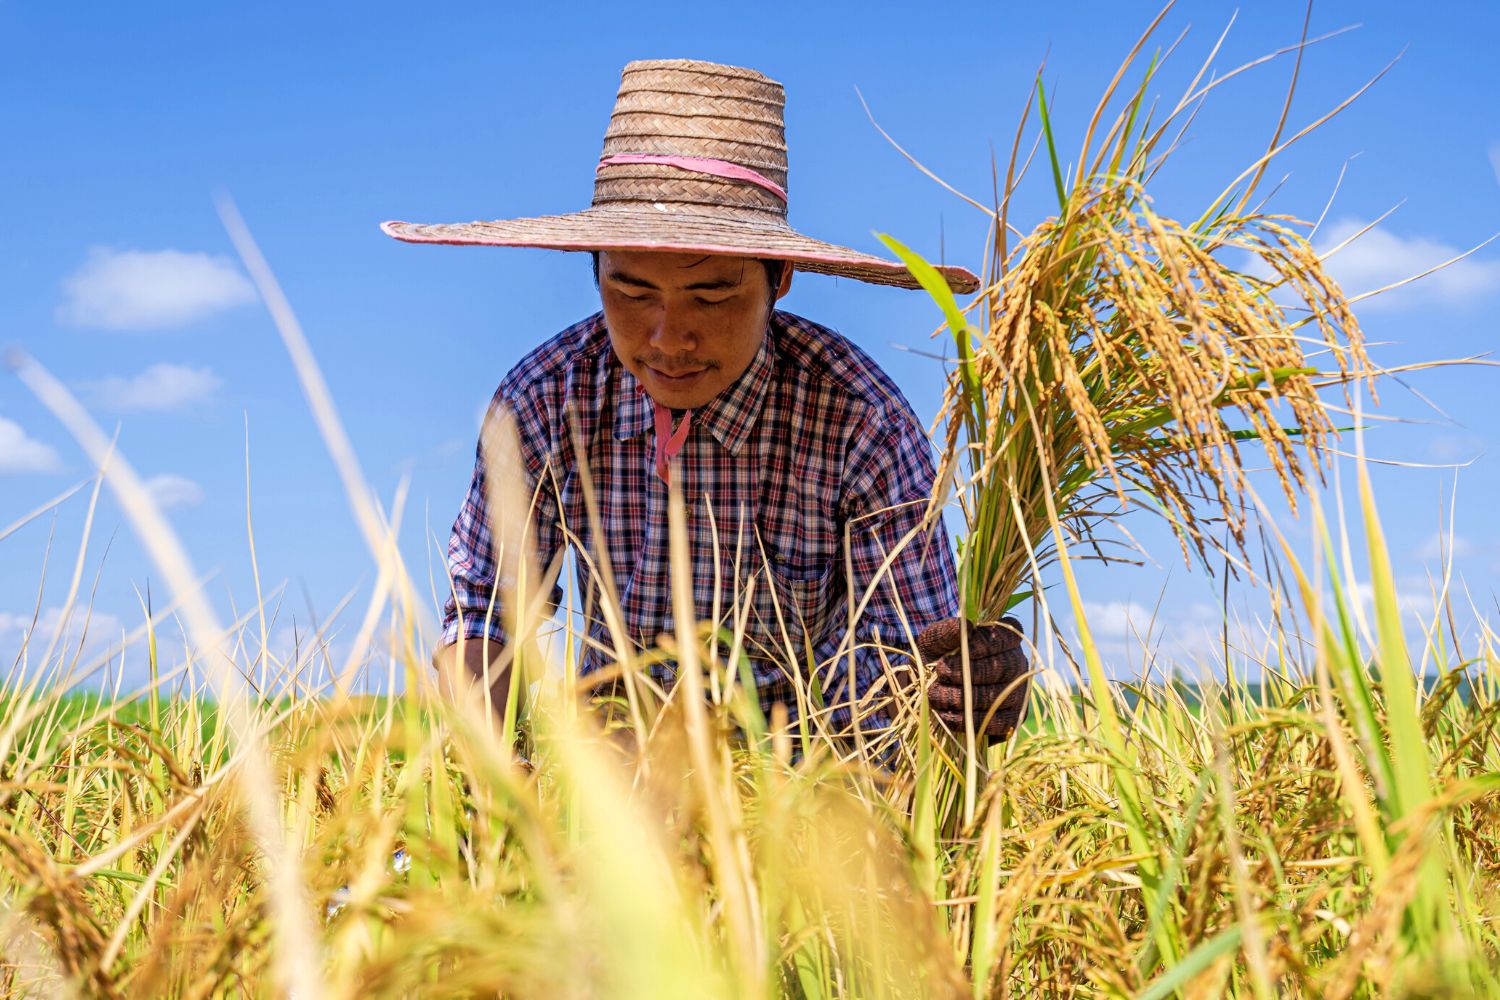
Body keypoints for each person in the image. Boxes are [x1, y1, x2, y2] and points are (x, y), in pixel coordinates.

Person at [384, 58, 1029, 747]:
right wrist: (510, 797)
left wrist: (968, 689)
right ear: (594, 268)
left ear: (780, 278)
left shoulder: (861, 422)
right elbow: (485, 614)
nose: (668, 339)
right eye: (631, 293)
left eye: (712, 295)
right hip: (617, 795)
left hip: (816, 799)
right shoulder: (547, 400)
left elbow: (902, 669)